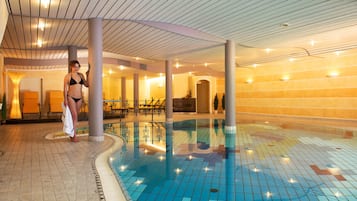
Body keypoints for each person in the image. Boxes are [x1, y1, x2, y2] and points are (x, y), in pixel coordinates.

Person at [63, 60, 89, 142]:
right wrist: (65, 99)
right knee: (74, 116)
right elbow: (65, 89)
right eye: (75, 66)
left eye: (78, 66)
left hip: (79, 98)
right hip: (71, 97)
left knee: (75, 117)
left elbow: (87, 85)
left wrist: (87, 75)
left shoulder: (81, 75)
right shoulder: (68, 76)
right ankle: (74, 136)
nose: (76, 68)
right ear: (71, 67)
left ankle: (71, 134)